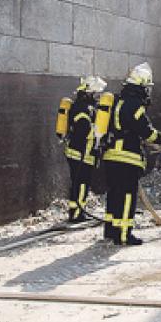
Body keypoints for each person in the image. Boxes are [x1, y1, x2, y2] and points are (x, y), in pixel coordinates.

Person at [102, 62, 161, 245]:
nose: (148, 91)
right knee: (127, 196)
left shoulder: (118, 100)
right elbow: (145, 130)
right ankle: (124, 234)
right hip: (127, 157)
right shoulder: (135, 105)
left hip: (110, 155)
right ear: (142, 86)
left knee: (114, 193)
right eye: (147, 87)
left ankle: (111, 231)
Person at [63, 76, 106, 223]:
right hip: (81, 154)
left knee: (78, 182)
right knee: (81, 183)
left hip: (76, 152)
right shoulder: (83, 109)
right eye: (95, 94)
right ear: (88, 93)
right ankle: (77, 214)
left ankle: (75, 211)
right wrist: (97, 134)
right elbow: (84, 131)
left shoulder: (79, 106)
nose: (97, 97)